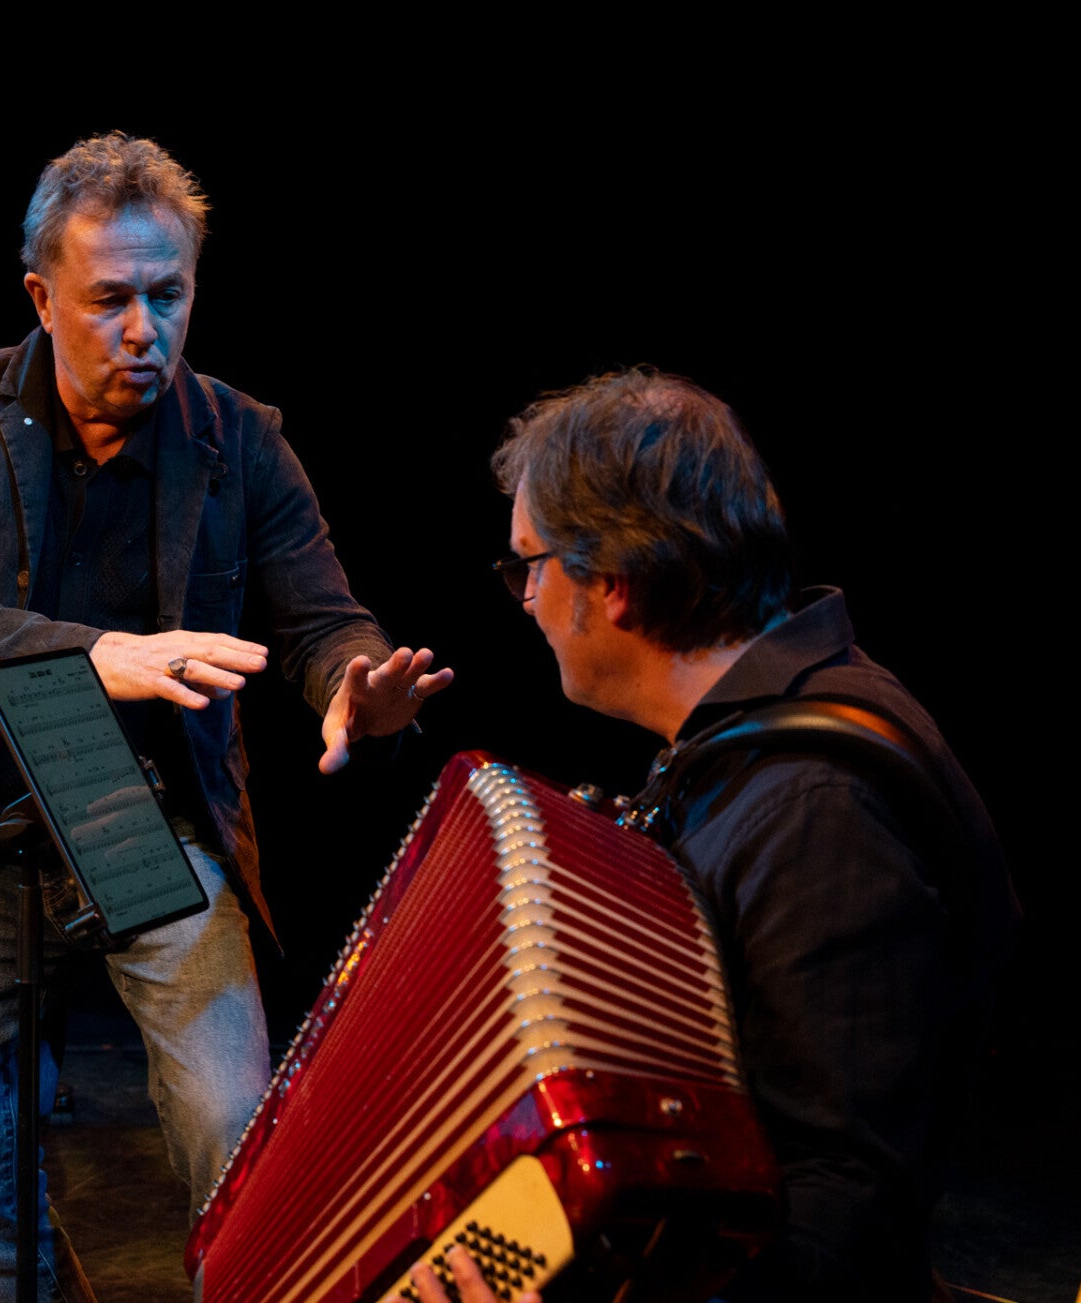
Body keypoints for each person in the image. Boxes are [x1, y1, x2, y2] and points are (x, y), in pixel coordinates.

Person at [0, 131, 451, 1303]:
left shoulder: (239, 437)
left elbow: (321, 619)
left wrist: (356, 685)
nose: (145, 329)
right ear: (42, 298)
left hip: (153, 822)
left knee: (236, 1136)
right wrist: (100, 654)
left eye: (169, 293)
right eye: (110, 300)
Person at [434, 365, 1019, 1303]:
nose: (528, 598)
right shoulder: (733, 746)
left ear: (613, 584)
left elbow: (840, 1217)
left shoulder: (816, 805)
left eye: (529, 564)